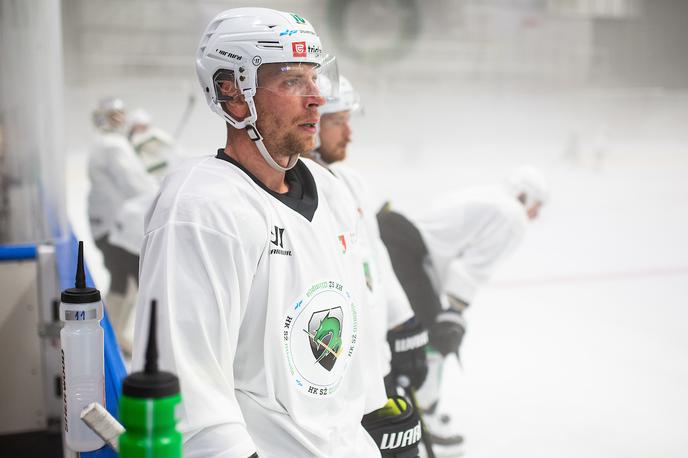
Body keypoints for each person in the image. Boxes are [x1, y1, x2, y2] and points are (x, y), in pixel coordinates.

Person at [132, 8, 419, 457]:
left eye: (314, 77)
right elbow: (190, 389)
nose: (317, 99)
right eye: (291, 82)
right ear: (233, 93)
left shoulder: (331, 189)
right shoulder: (202, 208)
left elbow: (349, 331)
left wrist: (374, 412)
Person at [377, 166, 549, 455]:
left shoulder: (490, 196)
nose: (536, 215)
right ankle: (423, 415)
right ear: (524, 195)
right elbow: (470, 269)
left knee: (411, 331)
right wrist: (452, 315)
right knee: (433, 338)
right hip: (408, 251)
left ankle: (413, 405)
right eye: (537, 206)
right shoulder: (512, 214)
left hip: (395, 237)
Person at [304, 75, 429, 398]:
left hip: (375, 364)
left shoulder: (351, 182)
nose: (349, 134)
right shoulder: (295, 191)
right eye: (339, 122)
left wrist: (402, 321)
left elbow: (375, 259)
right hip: (333, 371)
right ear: (313, 123)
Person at [87, 97, 156, 352]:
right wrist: (163, 187)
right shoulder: (113, 146)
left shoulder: (105, 144)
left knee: (124, 282)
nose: (120, 120)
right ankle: (107, 340)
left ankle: (112, 336)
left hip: (108, 226)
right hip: (116, 229)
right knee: (127, 283)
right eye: (114, 115)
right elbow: (135, 184)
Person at [127, 108, 179, 181]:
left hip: (159, 167)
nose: (143, 127)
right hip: (143, 170)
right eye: (139, 125)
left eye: (145, 125)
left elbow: (170, 142)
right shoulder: (130, 138)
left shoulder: (154, 133)